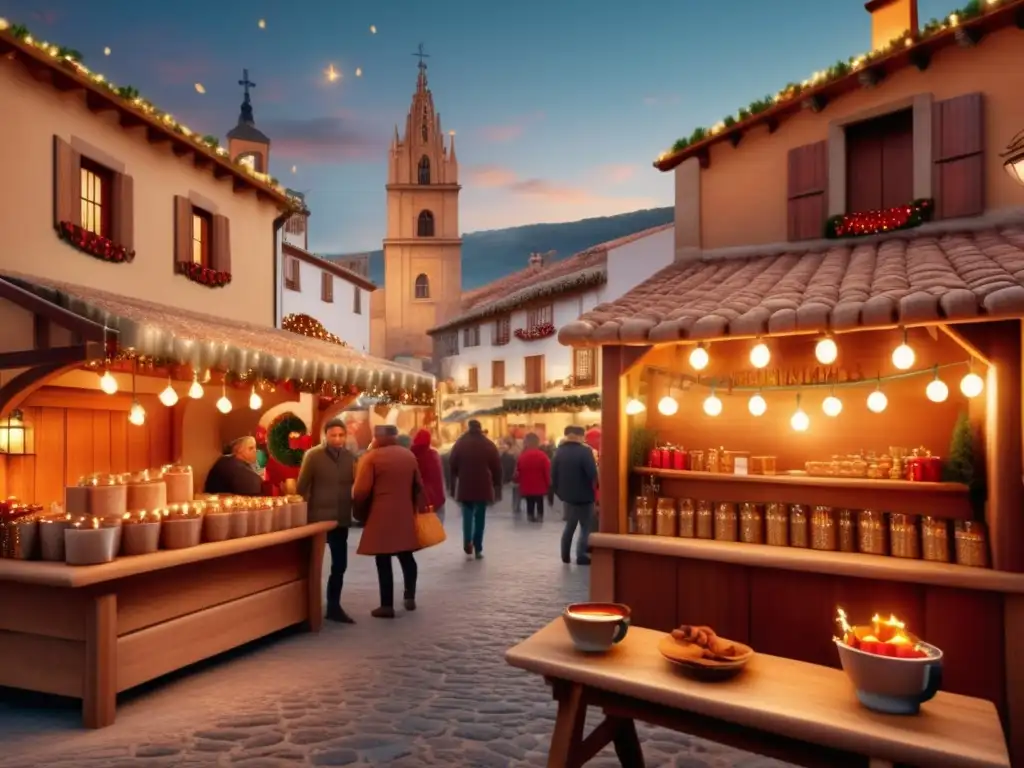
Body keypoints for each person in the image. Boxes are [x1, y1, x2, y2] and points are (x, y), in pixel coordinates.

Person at [353, 425, 423, 618]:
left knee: (383, 558)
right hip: (404, 512)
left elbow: (361, 491)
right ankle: (409, 596)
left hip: (380, 513)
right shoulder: (408, 456)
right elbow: (419, 486)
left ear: (376, 438)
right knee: (406, 555)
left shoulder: (372, 457)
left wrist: (359, 511)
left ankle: (386, 605)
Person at [297, 419, 357, 623]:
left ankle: (333, 606)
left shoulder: (350, 458)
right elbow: (301, 487)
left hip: (340, 518)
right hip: (317, 519)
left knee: (340, 565)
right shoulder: (313, 456)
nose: (338, 439)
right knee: (312, 566)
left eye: (341, 435)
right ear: (325, 436)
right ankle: (306, 608)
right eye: (333, 435)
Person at [448, 419, 501, 559]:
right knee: (480, 518)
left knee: (467, 515)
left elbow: (452, 463)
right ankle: (478, 547)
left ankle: (467, 541)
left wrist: (453, 483)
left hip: (466, 484)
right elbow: (496, 467)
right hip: (483, 485)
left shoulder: (460, 443)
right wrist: (497, 485)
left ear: (468, 428)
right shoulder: (488, 444)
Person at [551, 425, 598, 566]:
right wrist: (597, 486)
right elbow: (592, 473)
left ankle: (565, 555)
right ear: (581, 436)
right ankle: (581, 555)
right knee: (585, 527)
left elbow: (553, 474)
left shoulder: (559, 452)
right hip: (585, 495)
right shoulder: (585, 452)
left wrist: (559, 492)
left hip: (567, 496)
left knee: (569, 526)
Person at [411, 429, 446, 522]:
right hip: (437, 499)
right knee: (436, 531)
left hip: (419, 501)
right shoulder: (434, 455)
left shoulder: (411, 456)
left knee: (420, 531)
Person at [516, 433, 551, 522]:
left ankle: (530, 515)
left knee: (529, 501)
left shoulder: (522, 456)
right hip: (540, 485)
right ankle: (540, 515)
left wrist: (519, 482)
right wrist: (548, 483)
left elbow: (518, 471)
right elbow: (547, 471)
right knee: (540, 501)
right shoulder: (543, 456)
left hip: (526, 484)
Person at [500, 438, 520, 514]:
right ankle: (516, 506)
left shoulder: (507, 455)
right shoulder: (514, 454)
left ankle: (515, 506)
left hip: (508, 476)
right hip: (512, 476)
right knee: (516, 491)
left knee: (515, 491)